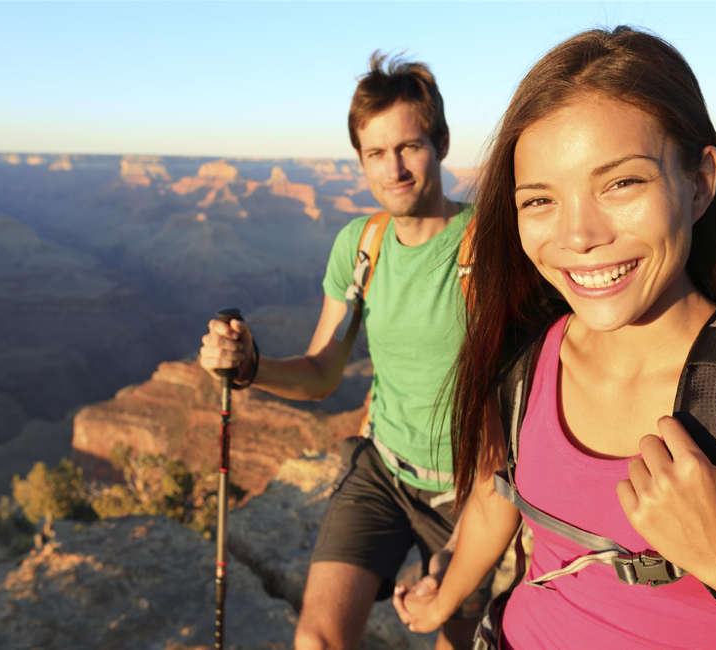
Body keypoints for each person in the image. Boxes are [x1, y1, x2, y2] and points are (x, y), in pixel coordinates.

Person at [393, 26, 716, 648]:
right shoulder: (527, 354)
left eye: (621, 183)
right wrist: (441, 601)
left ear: (700, 182)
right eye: (540, 200)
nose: (578, 235)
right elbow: (504, 497)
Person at [199, 52, 492, 649]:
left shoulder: (488, 246)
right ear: (360, 160)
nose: (396, 169)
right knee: (317, 641)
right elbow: (322, 371)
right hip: (383, 468)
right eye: (376, 154)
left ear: (440, 142)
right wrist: (251, 367)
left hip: (469, 489)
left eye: (409, 146)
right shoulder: (361, 244)